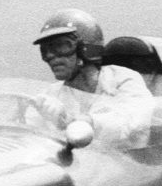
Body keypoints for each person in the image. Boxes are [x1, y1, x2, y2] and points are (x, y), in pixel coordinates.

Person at [32, 9, 154, 147]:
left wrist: (85, 122)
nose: (50, 57)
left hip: (127, 162)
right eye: (45, 50)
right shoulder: (51, 95)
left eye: (61, 46)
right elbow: (34, 137)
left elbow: (134, 123)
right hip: (76, 166)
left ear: (86, 48)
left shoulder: (123, 80)